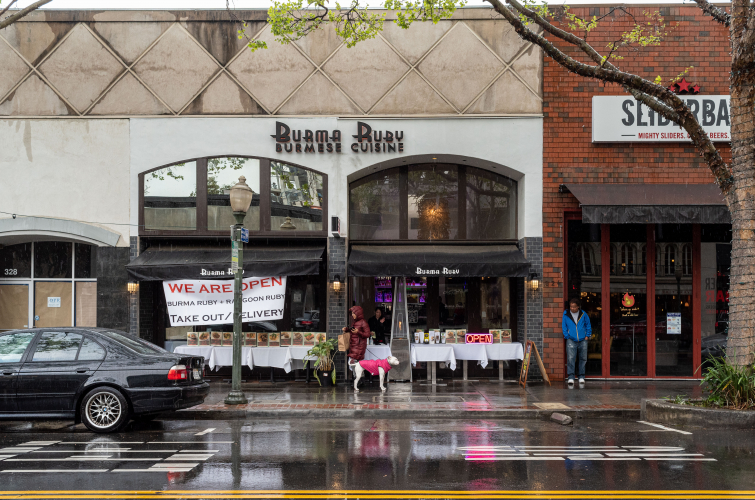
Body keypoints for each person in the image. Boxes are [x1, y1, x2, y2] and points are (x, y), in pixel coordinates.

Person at [562, 297, 592, 387]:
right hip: (571, 339)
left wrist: (587, 335)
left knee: (583, 358)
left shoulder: (583, 314)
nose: (572, 308)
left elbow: (588, 324)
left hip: (583, 339)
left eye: (574, 307)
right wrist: (567, 336)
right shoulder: (566, 314)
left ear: (578, 306)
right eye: (571, 306)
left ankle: (581, 376)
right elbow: (564, 326)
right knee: (571, 358)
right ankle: (571, 377)